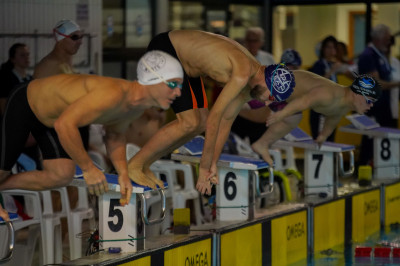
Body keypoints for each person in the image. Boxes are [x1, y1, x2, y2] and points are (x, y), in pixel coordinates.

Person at [0, 50, 184, 221]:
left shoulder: (136, 107)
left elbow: (114, 136)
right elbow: (64, 125)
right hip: (27, 102)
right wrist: (88, 168)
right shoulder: (113, 94)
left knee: (61, 175)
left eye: (180, 86)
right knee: (3, 169)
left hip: (52, 117)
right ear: (153, 79)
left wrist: (123, 174)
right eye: (173, 84)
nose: (178, 92)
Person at [127, 30, 295, 195]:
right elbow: (214, 120)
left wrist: (212, 164)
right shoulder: (242, 74)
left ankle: (145, 164)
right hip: (168, 49)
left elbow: (226, 121)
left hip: (186, 64)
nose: (265, 103)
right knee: (189, 122)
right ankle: (134, 165)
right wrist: (204, 169)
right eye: (270, 98)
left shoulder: (251, 82)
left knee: (199, 122)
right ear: (267, 82)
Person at [251, 71, 381, 167]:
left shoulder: (343, 105)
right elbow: (304, 101)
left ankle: (261, 144)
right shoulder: (329, 94)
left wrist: (323, 136)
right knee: (241, 106)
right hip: (275, 85)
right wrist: (281, 114)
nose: (371, 105)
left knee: (294, 118)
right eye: (369, 100)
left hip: (285, 97)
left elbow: (333, 118)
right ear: (356, 93)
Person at [357, 24, 400, 165]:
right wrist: (397, 83)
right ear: (379, 38)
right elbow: (377, 83)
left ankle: (383, 170)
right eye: (387, 39)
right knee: (370, 142)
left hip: (383, 107)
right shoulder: (368, 56)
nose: (389, 43)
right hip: (373, 107)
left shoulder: (379, 55)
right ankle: (363, 173)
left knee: (385, 140)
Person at [309, 35, 344, 142]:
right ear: (323, 49)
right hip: (320, 112)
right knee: (321, 141)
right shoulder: (319, 65)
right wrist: (331, 71)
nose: (331, 50)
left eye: (333, 47)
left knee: (331, 142)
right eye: (328, 47)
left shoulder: (332, 64)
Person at [0, 43, 32, 116]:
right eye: (22, 55)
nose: (27, 57)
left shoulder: (30, 79)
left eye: (27, 54)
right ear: (13, 59)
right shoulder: (5, 78)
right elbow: (3, 104)